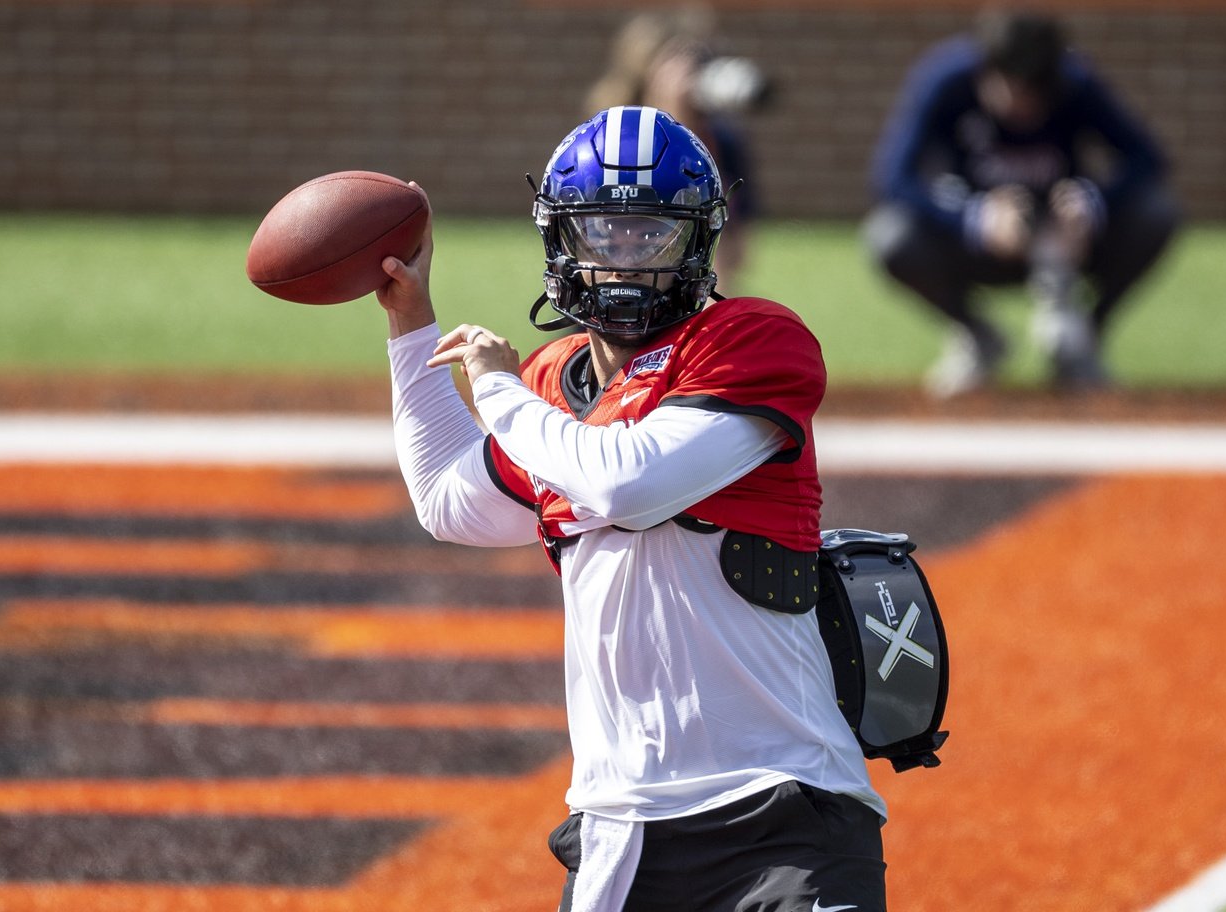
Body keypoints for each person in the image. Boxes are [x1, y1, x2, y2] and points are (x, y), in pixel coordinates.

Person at [376, 106, 887, 911]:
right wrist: (411, 323)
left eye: (650, 234)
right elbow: (450, 502)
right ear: (560, 240)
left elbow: (627, 484)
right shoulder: (552, 381)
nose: (624, 259)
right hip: (620, 826)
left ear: (697, 240)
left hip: (781, 809)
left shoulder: (752, 338)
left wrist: (498, 389)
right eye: (600, 232)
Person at [864, 8, 1180, 398]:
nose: (1024, 108)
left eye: (1037, 96)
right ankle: (977, 337)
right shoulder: (946, 80)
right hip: (977, 242)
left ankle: (1084, 337)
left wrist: (1093, 201)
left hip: (1066, 244)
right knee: (890, 235)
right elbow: (892, 176)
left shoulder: (1076, 82)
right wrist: (974, 218)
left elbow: (1148, 158)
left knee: (1156, 212)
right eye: (1013, 90)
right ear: (986, 72)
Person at [586, 9, 768, 294]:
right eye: (679, 62)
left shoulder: (723, 142)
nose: (692, 75)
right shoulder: (608, 143)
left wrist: (695, 142)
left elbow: (734, 254)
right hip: (612, 299)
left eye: (698, 62)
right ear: (645, 73)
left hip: (690, 304)